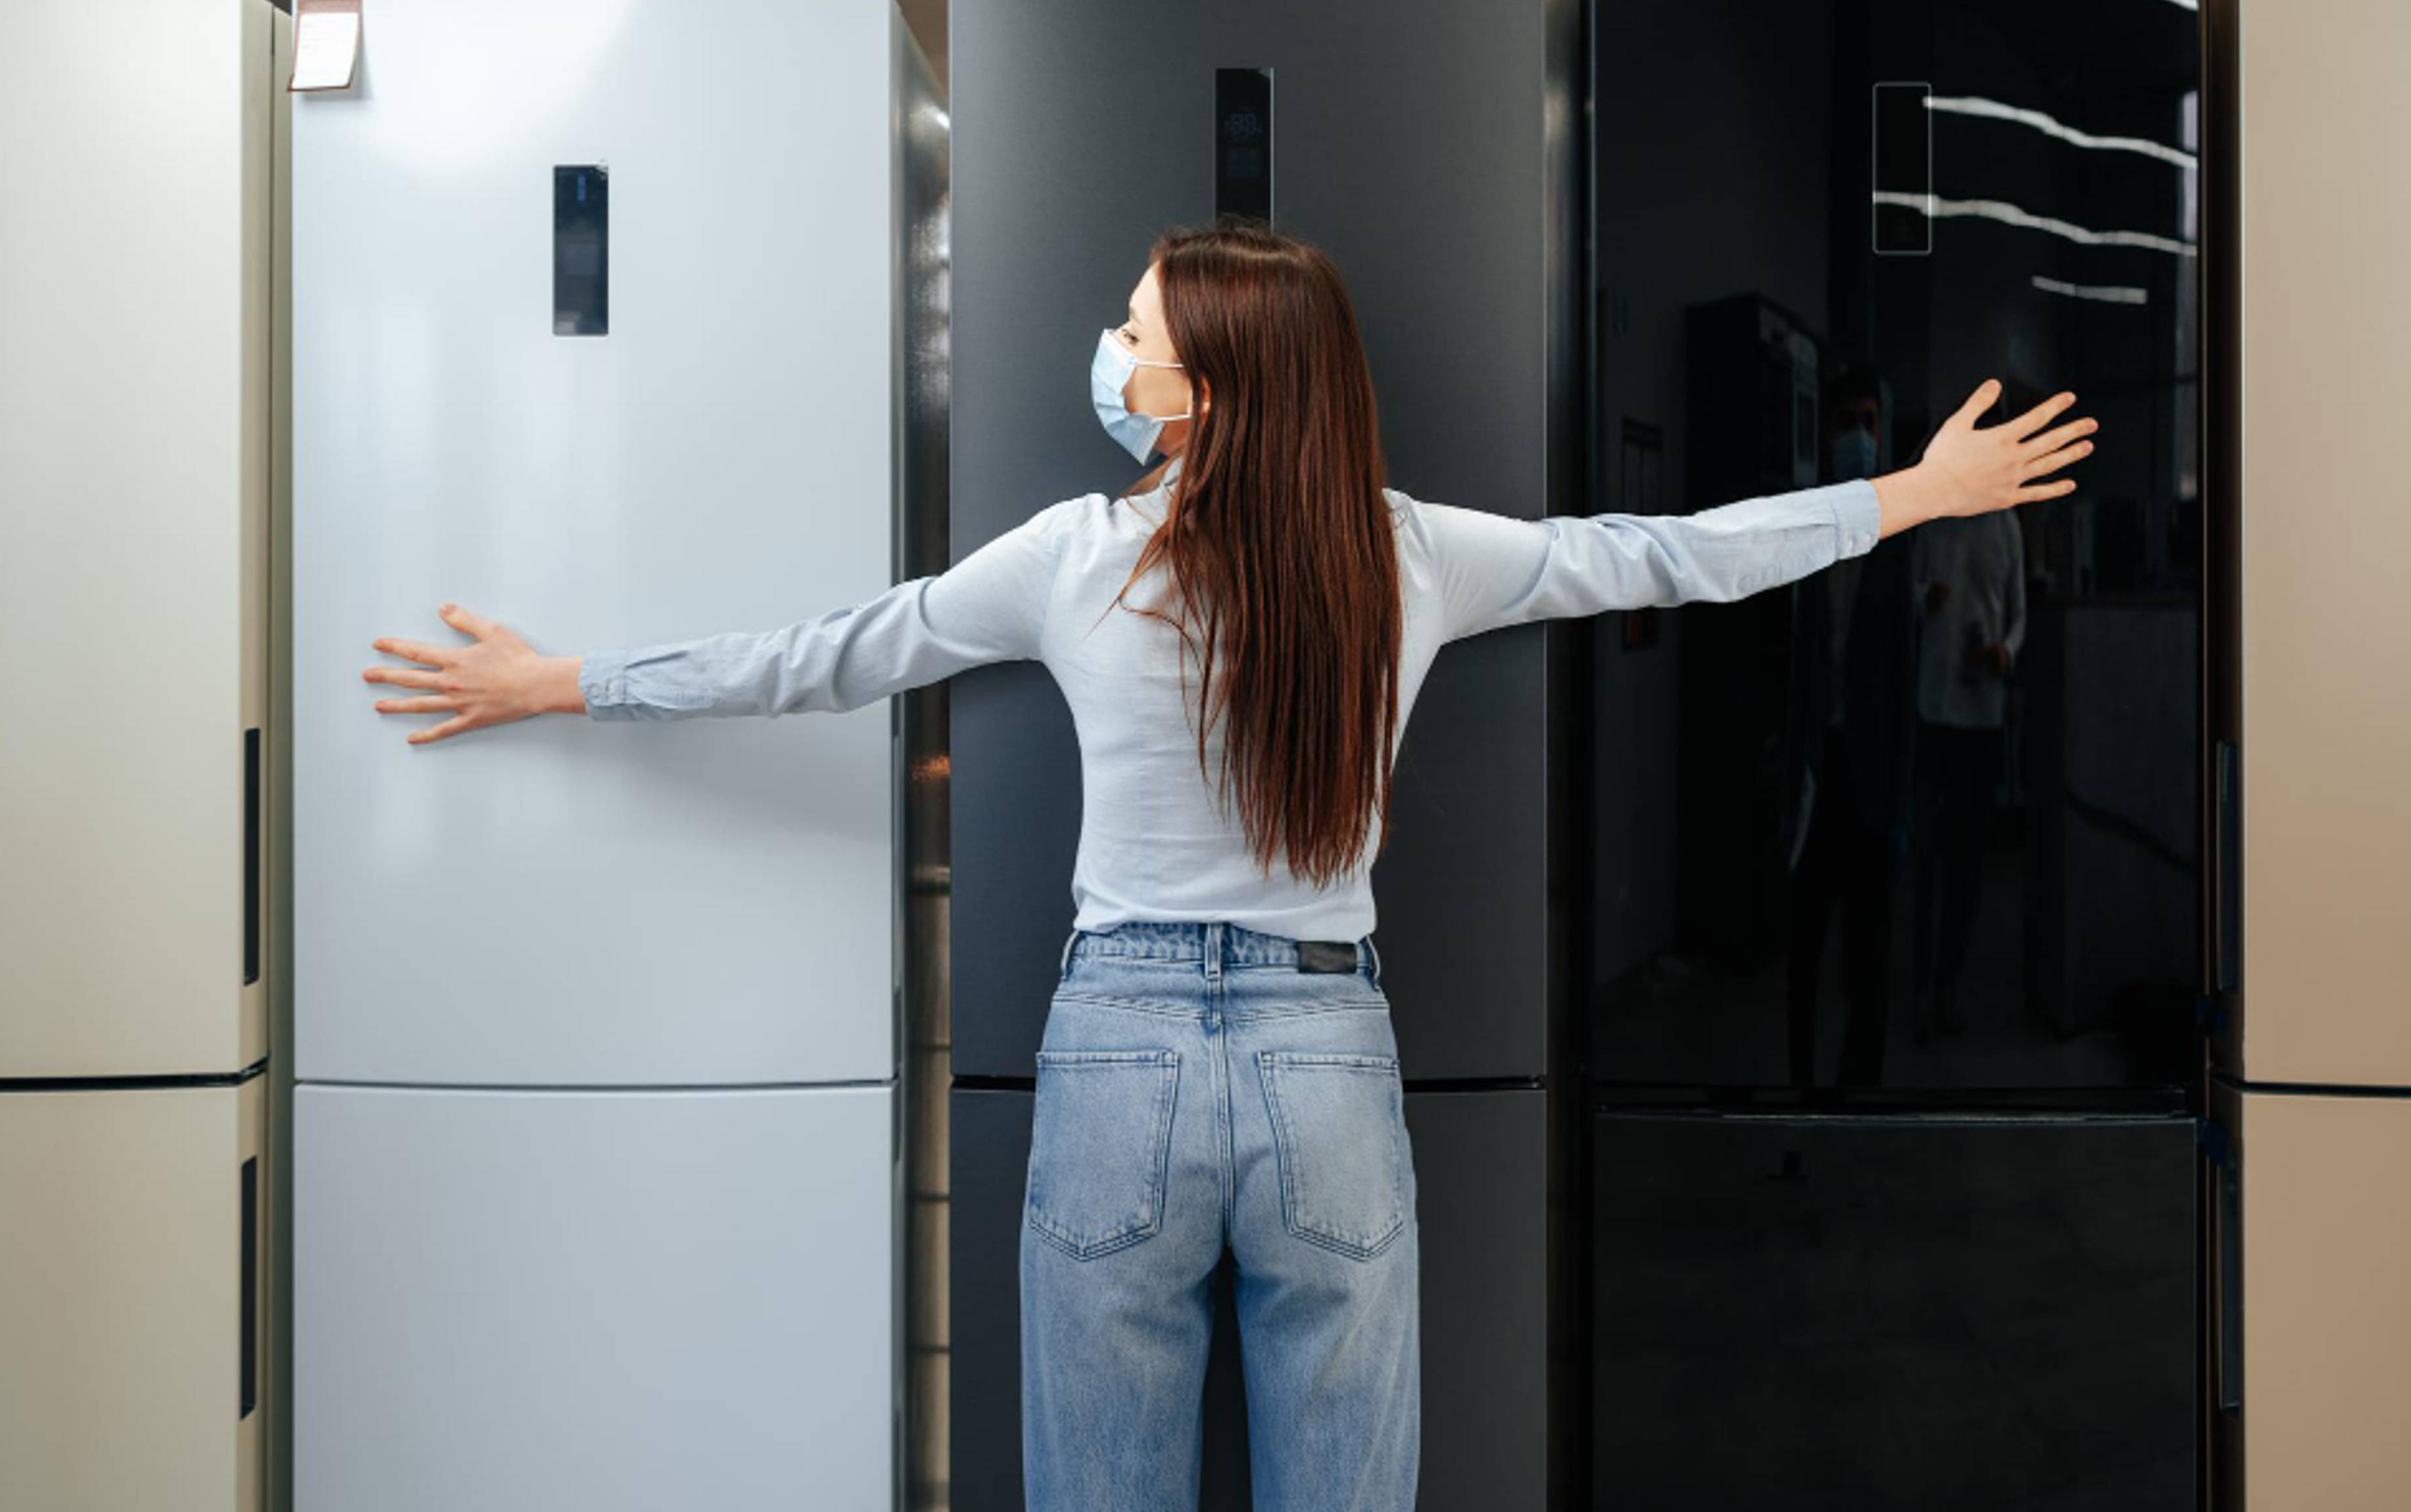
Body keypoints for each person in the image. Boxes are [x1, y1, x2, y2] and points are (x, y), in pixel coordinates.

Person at [358, 220, 2095, 1509]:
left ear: (1202, 385)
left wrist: (565, 677)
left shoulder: (1068, 557)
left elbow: (832, 650)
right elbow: (1661, 557)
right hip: (1325, 1059)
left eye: (1133, 331)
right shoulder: (1409, 555)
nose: (1109, 353)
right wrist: (1910, 496)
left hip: (1116, 1051)